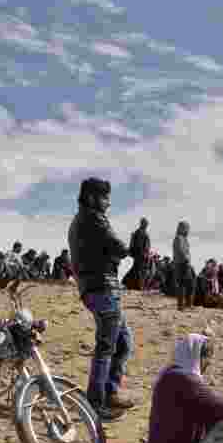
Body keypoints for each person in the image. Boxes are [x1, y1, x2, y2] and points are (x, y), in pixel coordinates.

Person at [68, 177, 135, 422]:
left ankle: (109, 392)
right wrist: (130, 250)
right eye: (105, 197)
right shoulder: (93, 218)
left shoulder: (83, 220)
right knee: (107, 345)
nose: (108, 202)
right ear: (92, 197)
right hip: (101, 289)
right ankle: (96, 402)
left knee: (123, 341)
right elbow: (116, 246)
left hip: (97, 289)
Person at [173, 221, 194, 311]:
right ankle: (181, 306)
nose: (188, 230)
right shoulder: (179, 238)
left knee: (189, 284)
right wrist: (187, 259)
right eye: (186, 228)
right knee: (183, 285)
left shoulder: (183, 238)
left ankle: (187, 304)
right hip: (182, 264)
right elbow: (181, 251)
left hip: (184, 264)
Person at [129, 218, 151, 290]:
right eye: (145, 223)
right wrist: (144, 254)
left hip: (140, 255)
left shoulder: (140, 232)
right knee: (139, 271)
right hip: (140, 255)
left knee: (138, 270)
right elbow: (141, 245)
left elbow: (146, 245)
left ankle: (136, 285)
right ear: (142, 224)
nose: (146, 225)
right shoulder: (140, 232)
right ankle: (138, 286)